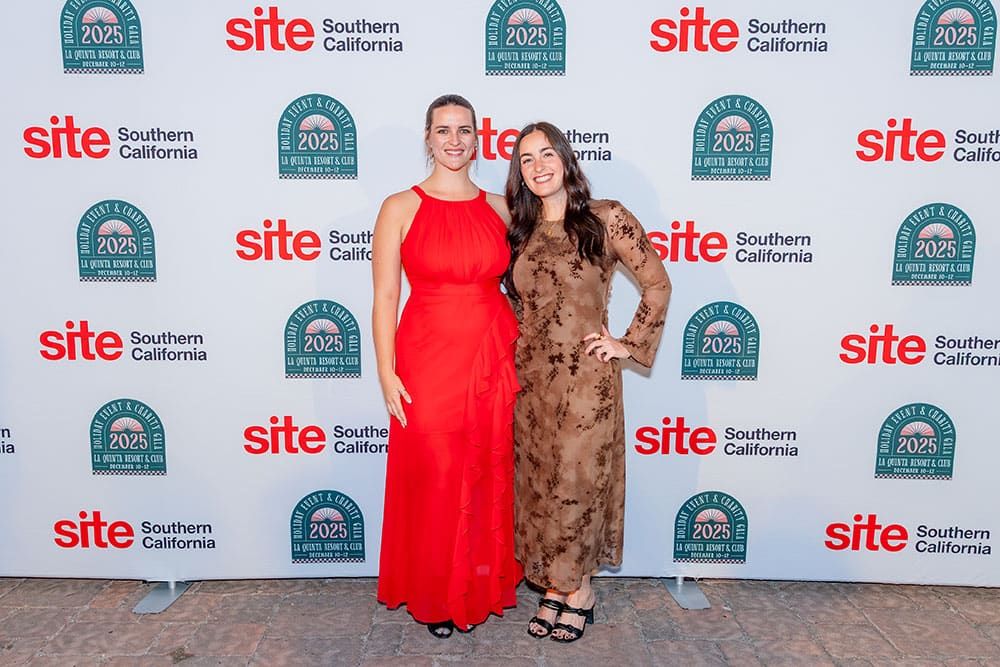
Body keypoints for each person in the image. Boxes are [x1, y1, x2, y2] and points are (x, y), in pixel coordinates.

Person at [503, 122, 671, 643]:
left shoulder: (606, 217)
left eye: (546, 154)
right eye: (527, 159)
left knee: (578, 485)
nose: (538, 167)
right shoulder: (520, 230)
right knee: (540, 485)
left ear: (566, 159)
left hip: (585, 385)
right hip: (531, 385)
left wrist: (627, 343)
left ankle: (580, 591)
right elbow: (517, 302)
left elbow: (657, 283)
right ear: (520, 173)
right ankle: (555, 586)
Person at [371, 94, 523, 638]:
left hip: (491, 354)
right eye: (443, 130)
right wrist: (386, 372)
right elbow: (386, 296)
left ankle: (479, 586)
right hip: (426, 357)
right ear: (428, 138)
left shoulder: (502, 207)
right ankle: (436, 593)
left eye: (464, 130)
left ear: (478, 139)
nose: (454, 140)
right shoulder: (399, 206)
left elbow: (537, 278)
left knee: (486, 472)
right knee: (436, 474)